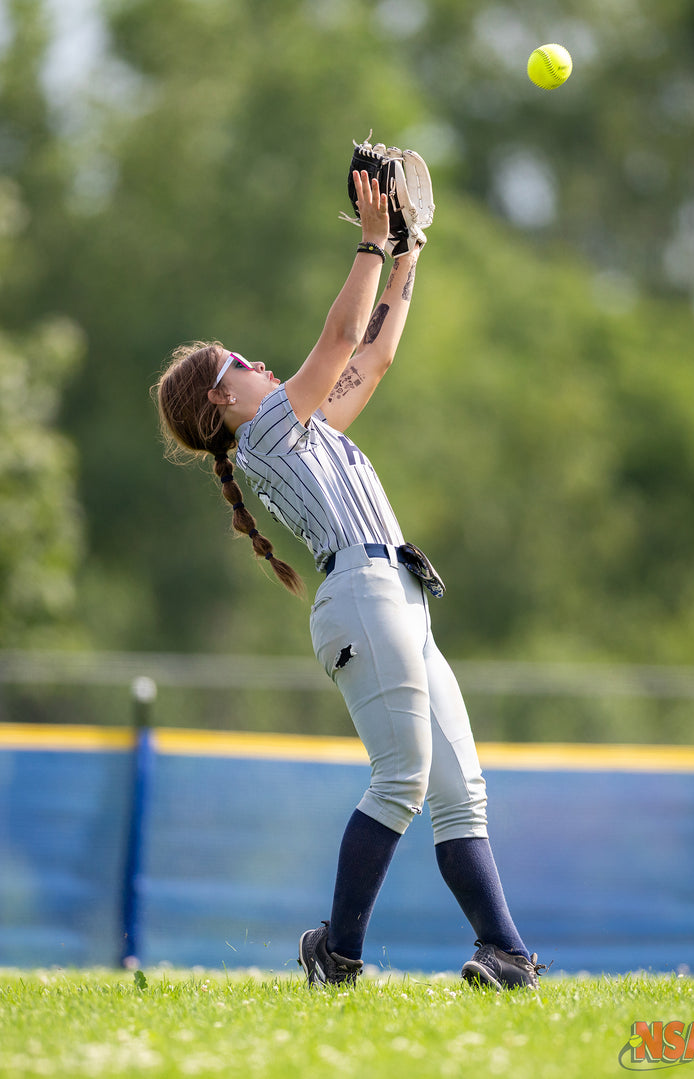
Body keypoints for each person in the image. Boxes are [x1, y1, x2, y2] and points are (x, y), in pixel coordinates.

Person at [155, 167, 545, 991]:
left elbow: (375, 353)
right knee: (402, 776)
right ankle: (338, 951)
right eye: (238, 361)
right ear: (220, 399)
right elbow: (335, 342)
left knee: (458, 788)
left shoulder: (310, 425)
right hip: (363, 597)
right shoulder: (265, 433)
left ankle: (504, 952)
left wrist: (408, 256)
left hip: (396, 597)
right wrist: (369, 241)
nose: (256, 359)